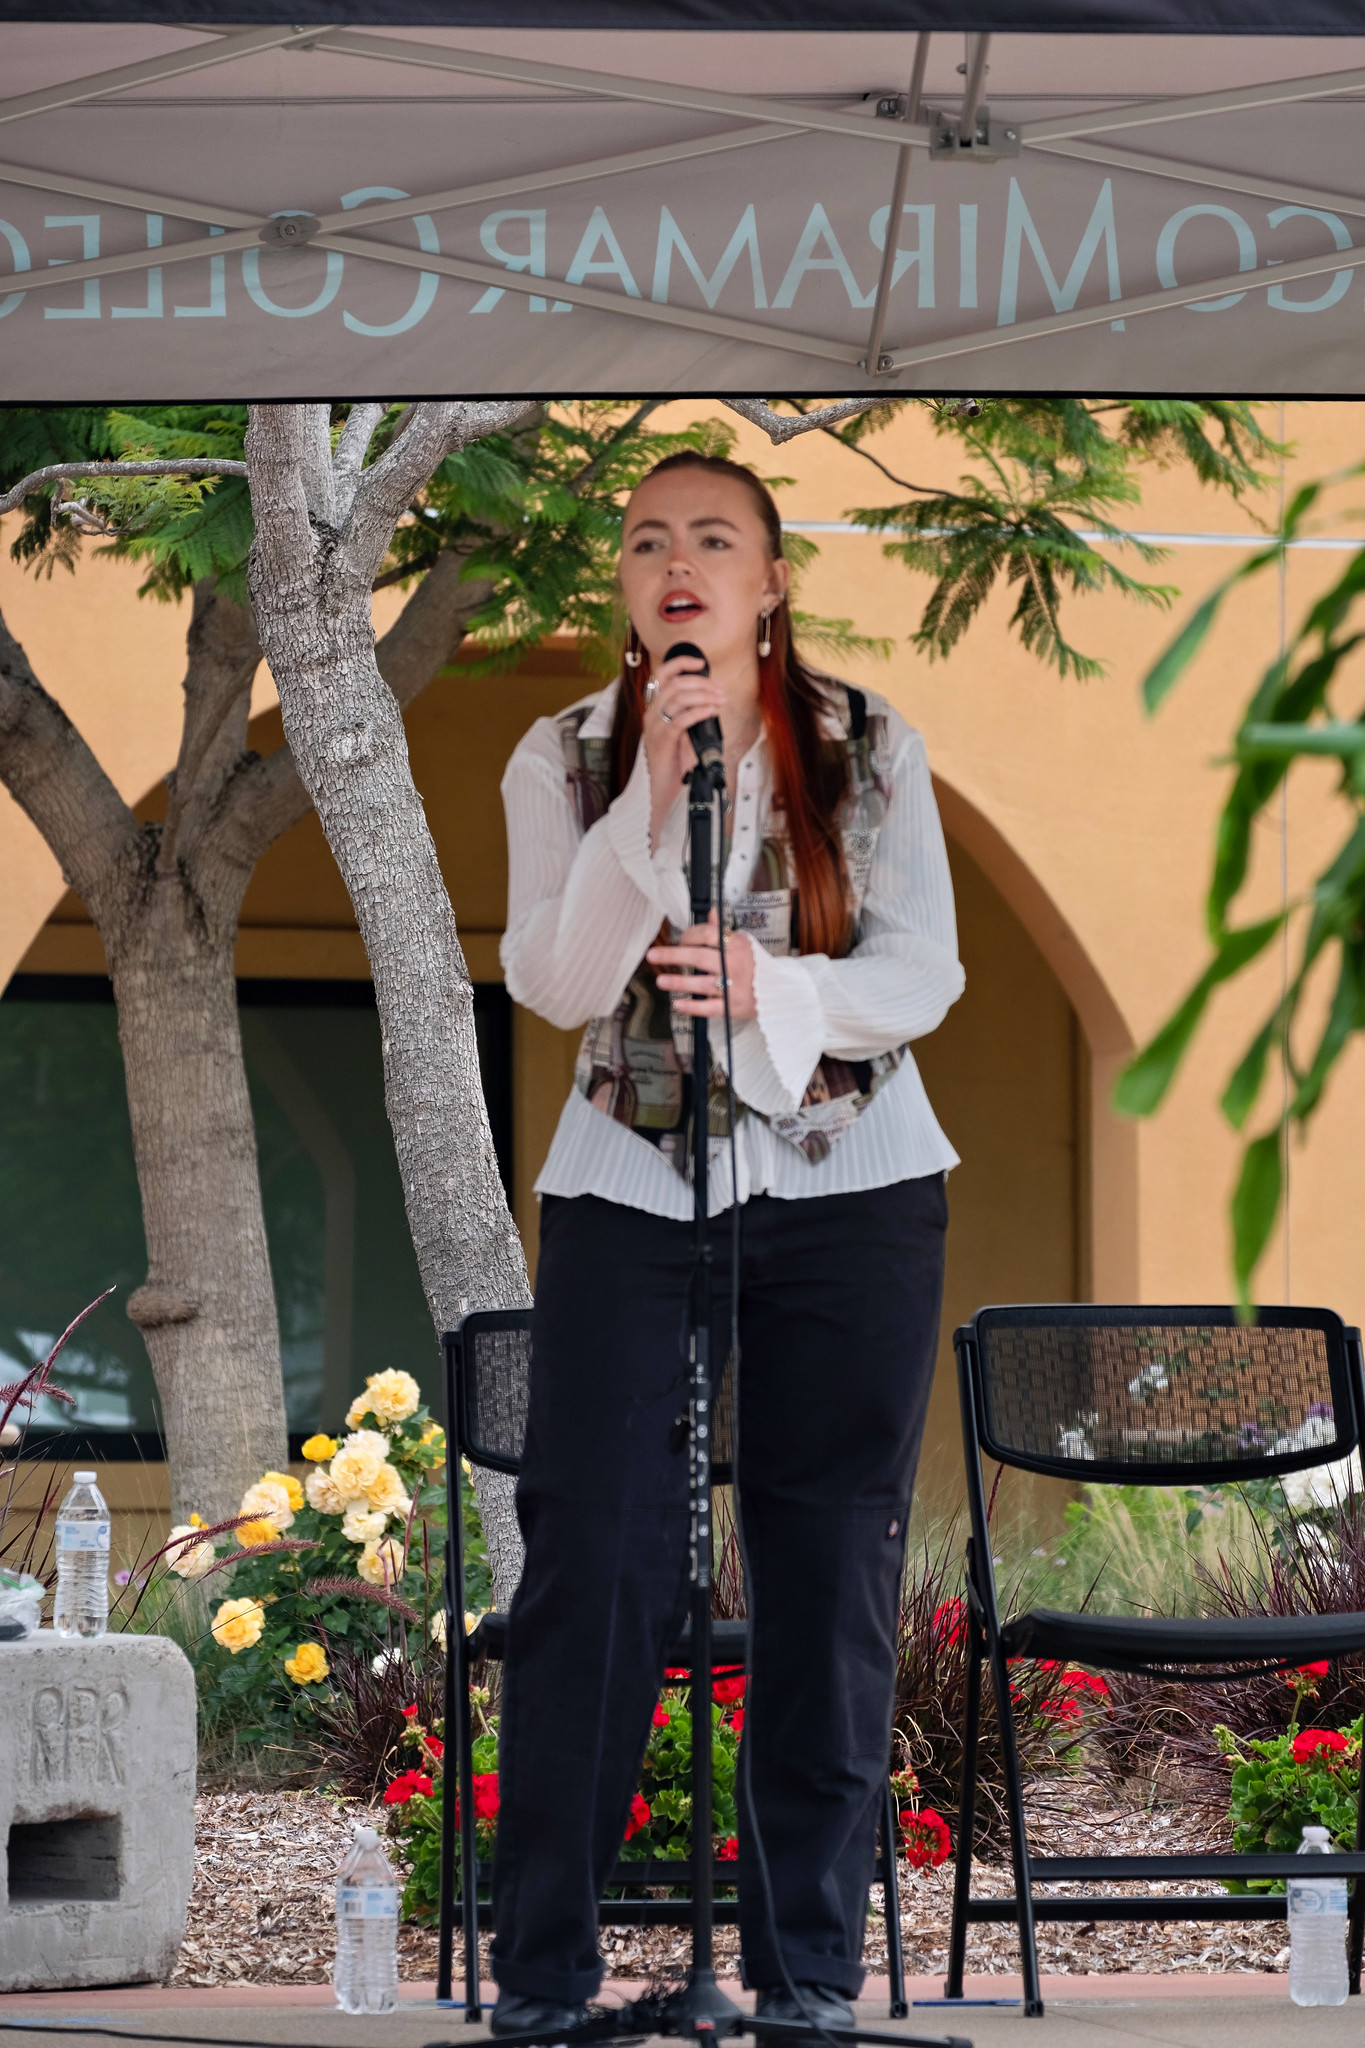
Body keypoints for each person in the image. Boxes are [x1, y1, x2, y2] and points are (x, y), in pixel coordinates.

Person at [491, 451, 964, 2037]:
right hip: (630, 1184)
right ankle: (545, 1978)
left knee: (828, 1570)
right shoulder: (559, 758)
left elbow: (922, 972)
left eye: (712, 538)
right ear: (622, 590)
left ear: (772, 579)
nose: (674, 560)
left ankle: (805, 1974)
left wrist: (776, 991)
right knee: (597, 1564)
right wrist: (649, 798)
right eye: (643, 541)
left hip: (856, 1187)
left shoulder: (866, 744)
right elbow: (556, 985)